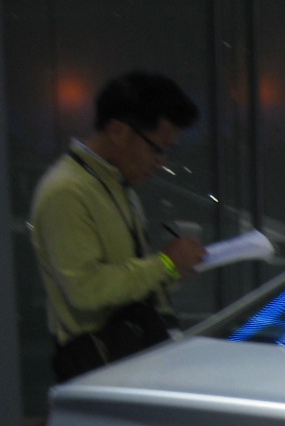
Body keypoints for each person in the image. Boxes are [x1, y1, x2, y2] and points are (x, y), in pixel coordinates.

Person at [30, 72, 206, 382]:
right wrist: (165, 265)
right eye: (158, 148)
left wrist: (174, 268)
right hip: (99, 364)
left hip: (132, 356)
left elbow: (128, 276)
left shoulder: (115, 185)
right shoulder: (67, 191)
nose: (161, 162)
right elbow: (85, 290)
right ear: (118, 131)